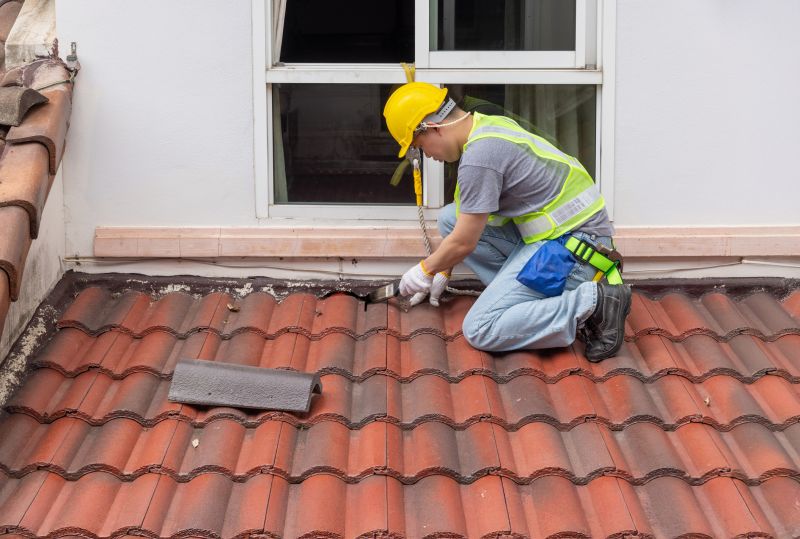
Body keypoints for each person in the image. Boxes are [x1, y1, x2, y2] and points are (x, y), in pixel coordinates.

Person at [383, 82, 632, 361]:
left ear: (432, 127)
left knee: (481, 328)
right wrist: (443, 269)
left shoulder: (479, 158)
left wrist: (424, 270)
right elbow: (466, 221)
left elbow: (464, 242)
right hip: (566, 239)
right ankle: (531, 306)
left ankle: (594, 302)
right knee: (450, 218)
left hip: (578, 253)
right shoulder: (486, 125)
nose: (428, 156)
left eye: (420, 146)